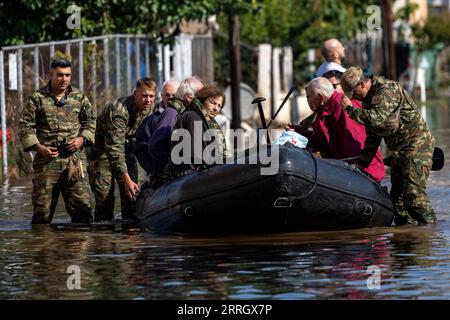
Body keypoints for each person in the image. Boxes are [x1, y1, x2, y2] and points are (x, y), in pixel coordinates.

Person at [340, 67, 436, 225]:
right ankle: (406, 242)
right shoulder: (369, 98)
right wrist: (362, 165)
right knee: (397, 204)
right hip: (400, 150)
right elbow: (374, 133)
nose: (355, 98)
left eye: (355, 94)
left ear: (362, 84)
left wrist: (350, 110)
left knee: (415, 197)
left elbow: (379, 120)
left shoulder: (387, 90)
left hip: (417, 145)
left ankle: (430, 236)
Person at [19, 57, 96, 224]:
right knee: (42, 213)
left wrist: (81, 140)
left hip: (74, 161)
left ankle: (77, 247)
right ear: (51, 75)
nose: (64, 79)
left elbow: (91, 122)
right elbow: (25, 125)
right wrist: (39, 148)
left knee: (84, 209)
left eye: (67, 75)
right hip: (47, 160)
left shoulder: (79, 97)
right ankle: (45, 248)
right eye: (60, 75)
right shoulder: (37, 98)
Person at [286, 77, 385, 182]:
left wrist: (356, 172)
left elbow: (356, 143)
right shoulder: (324, 111)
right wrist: (297, 132)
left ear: (320, 97)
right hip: (346, 170)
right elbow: (322, 142)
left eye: (308, 97)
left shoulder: (341, 106)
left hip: (365, 173)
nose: (308, 101)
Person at [89, 77, 156, 222]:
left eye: (151, 96)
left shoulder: (149, 109)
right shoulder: (119, 110)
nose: (148, 100)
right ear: (135, 93)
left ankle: (130, 239)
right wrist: (126, 180)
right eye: (144, 96)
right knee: (104, 201)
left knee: (132, 198)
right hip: (103, 154)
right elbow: (114, 149)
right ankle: (104, 240)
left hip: (127, 149)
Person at [167, 85, 226, 178]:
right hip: (188, 178)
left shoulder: (203, 120)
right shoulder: (194, 117)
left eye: (219, 106)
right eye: (213, 103)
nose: (216, 109)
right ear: (202, 100)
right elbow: (196, 154)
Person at [134, 79, 180, 188]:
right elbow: (141, 150)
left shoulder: (186, 115)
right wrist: (157, 170)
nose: (170, 98)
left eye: (174, 95)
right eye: (167, 95)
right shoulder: (150, 121)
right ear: (162, 96)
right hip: (161, 178)